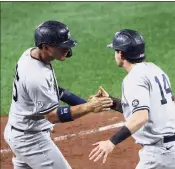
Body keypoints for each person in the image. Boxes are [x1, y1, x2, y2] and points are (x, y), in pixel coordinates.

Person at [4, 20, 113, 169]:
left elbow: (55, 90)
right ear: (45, 47)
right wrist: (89, 108)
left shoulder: (32, 54)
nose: (67, 49)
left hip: (19, 131)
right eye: (62, 46)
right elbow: (53, 115)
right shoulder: (35, 76)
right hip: (31, 140)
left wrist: (85, 103)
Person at [89, 29, 175, 169]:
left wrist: (111, 142)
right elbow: (148, 107)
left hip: (160, 154)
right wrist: (113, 102)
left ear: (121, 54)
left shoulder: (134, 78)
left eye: (115, 51)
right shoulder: (155, 70)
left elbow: (141, 117)